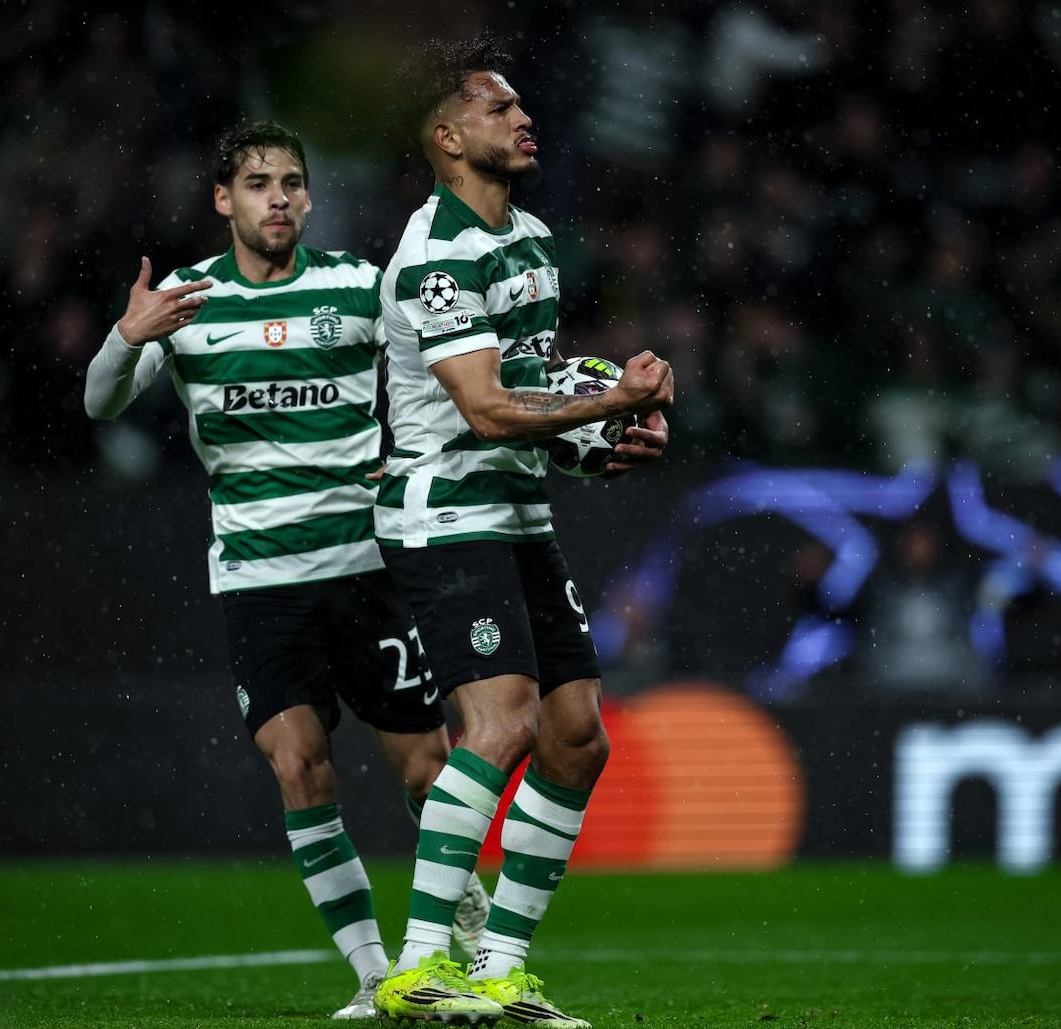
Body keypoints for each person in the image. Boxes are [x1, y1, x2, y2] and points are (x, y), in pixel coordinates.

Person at [82, 119, 491, 1021]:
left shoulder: (356, 287)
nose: (279, 197)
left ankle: (469, 931)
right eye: (259, 183)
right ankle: (374, 974)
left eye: (292, 182)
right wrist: (126, 332)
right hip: (259, 580)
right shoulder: (183, 300)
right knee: (300, 768)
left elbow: (433, 376)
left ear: (309, 197)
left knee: (427, 768)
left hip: (365, 569)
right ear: (224, 200)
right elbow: (99, 401)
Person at [369, 36, 674, 1029]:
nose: (523, 119)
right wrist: (600, 406)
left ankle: (500, 968)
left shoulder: (532, 239)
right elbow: (490, 413)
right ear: (446, 137)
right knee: (497, 727)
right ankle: (418, 967)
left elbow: (536, 405)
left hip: (514, 514)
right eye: (499, 110)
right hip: (443, 511)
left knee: (576, 739)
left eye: (521, 106)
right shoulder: (435, 257)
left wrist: (613, 432)